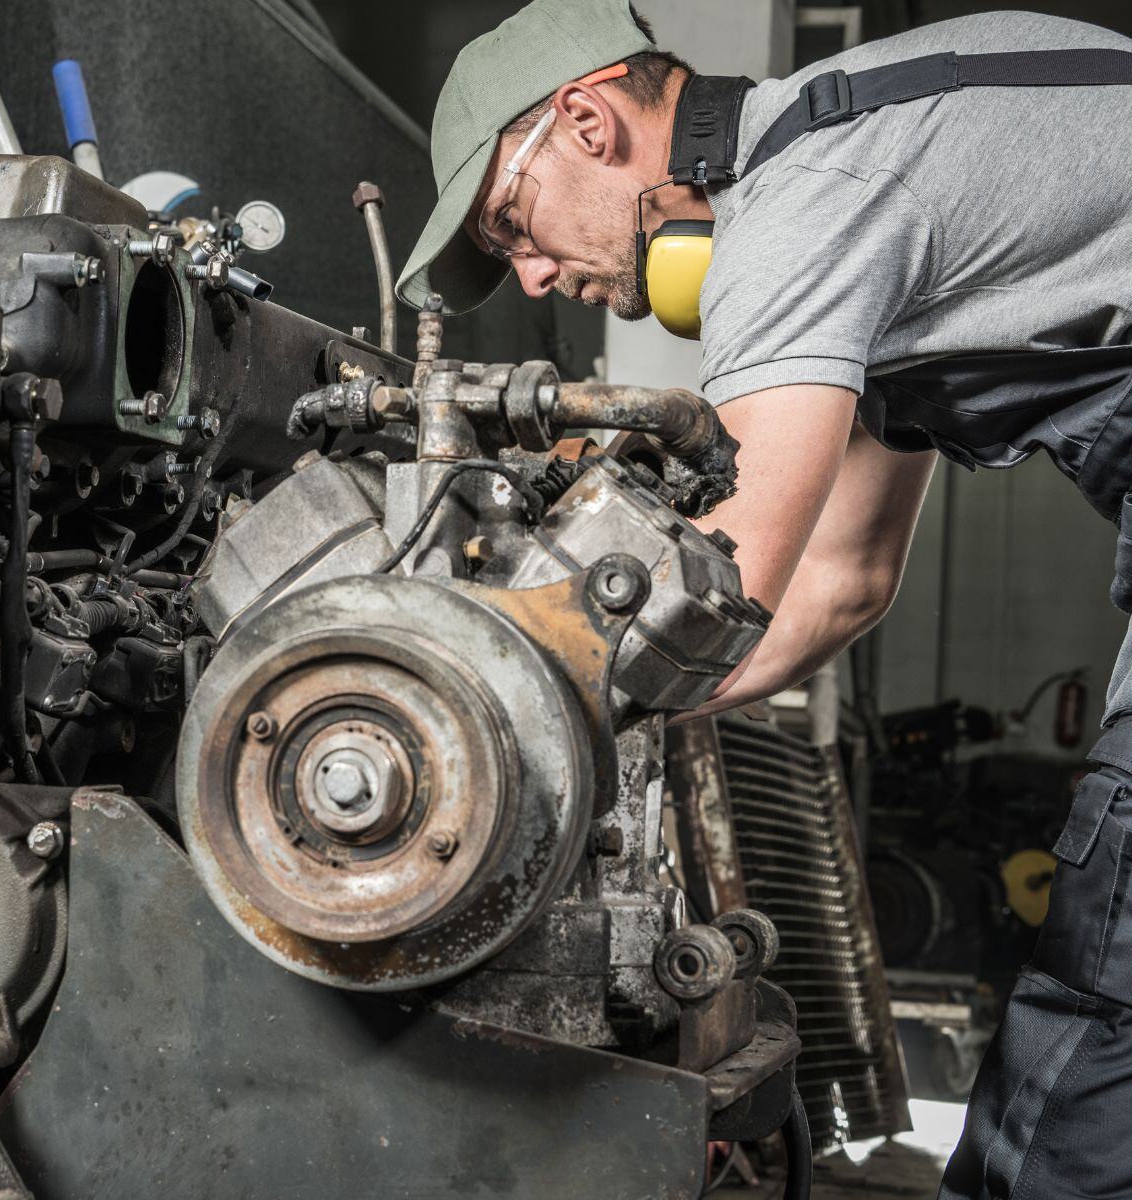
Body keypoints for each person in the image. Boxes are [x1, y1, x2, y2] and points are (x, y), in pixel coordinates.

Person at [396, 2, 1132, 1196]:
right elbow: (841, 583)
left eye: (513, 224)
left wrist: (489, 717)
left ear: (588, 119)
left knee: (1106, 997)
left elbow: (720, 576)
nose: (534, 273)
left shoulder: (802, 196)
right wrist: (604, 724)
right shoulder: (854, 164)